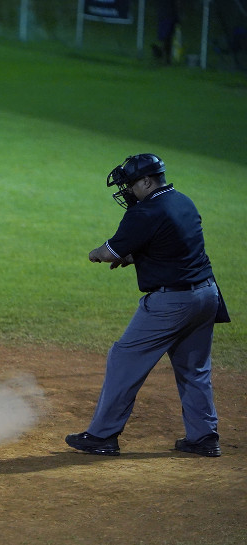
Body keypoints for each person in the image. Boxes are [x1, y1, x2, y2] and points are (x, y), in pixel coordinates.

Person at [65, 153, 229, 458]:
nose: (126, 190)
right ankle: (204, 437)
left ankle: (102, 436)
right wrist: (134, 257)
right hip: (206, 296)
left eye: (129, 184)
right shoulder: (183, 201)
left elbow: (110, 252)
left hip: (172, 303)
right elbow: (173, 245)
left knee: (124, 359)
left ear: (146, 181)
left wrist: (97, 253)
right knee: (194, 369)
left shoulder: (145, 212)